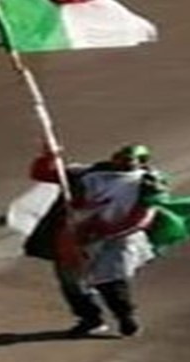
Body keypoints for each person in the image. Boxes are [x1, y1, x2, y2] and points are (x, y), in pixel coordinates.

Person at [25, 143, 165, 337]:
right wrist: (48, 156)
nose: (123, 163)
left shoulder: (150, 184)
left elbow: (142, 218)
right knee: (71, 281)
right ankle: (90, 319)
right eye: (119, 158)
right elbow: (43, 174)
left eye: (129, 160)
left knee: (110, 279)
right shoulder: (85, 173)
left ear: (142, 162)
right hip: (77, 236)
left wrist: (109, 231)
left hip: (118, 238)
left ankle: (125, 316)